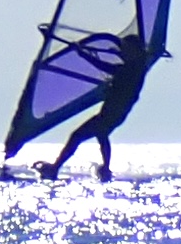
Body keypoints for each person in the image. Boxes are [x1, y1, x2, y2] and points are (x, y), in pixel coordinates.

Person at [38, 32, 154, 182]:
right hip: (114, 112)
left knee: (84, 135)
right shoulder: (134, 66)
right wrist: (113, 51)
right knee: (98, 135)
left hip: (114, 112)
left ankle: (58, 169)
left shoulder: (132, 70)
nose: (123, 53)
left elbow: (105, 66)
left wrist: (82, 54)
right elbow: (127, 58)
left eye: (127, 50)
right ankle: (103, 169)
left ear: (135, 51)